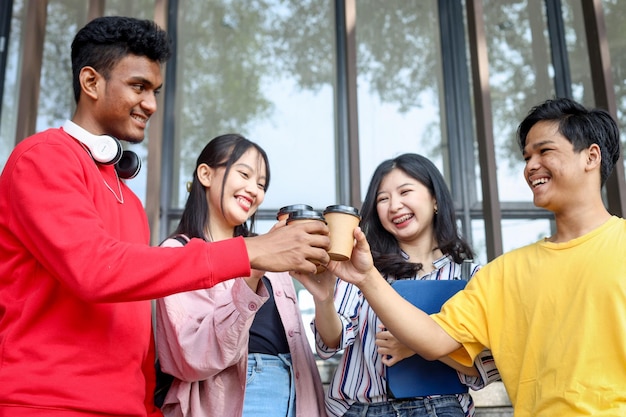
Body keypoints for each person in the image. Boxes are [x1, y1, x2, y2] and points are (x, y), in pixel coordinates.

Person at [0, 16, 329, 417]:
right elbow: (95, 270)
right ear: (91, 83)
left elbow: (136, 331)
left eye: (155, 90)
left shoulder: (130, 200)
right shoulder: (43, 157)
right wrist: (250, 252)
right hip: (44, 405)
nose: (152, 104)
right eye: (138, 86)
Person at [327, 98, 626, 416]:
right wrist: (365, 276)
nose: (530, 166)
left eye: (544, 151)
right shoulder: (502, 273)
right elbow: (433, 339)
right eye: (526, 156)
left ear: (591, 157)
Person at [295, 153, 499, 417]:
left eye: (405, 192)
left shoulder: (471, 276)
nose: (394, 206)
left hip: (440, 409)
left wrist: (418, 344)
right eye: (383, 199)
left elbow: (485, 366)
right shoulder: (360, 264)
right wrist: (323, 300)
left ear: (435, 199)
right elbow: (330, 344)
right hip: (360, 409)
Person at [155, 134, 327, 417]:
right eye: (244, 174)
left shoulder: (272, 258)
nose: (254, 190)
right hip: (231, 400)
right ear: (206, 174)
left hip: (296, 396)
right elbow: (191, 359)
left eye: (261, 184)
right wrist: (252, 269)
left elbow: (303, 349)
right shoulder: (177, 252)